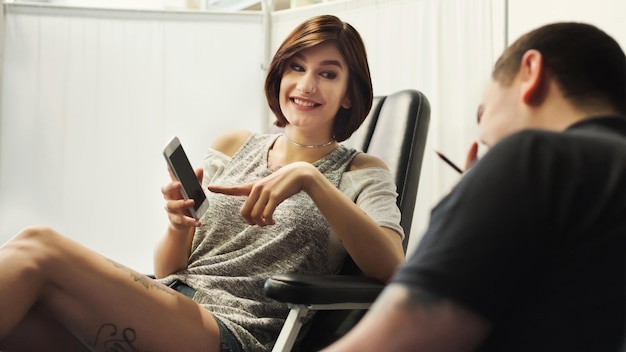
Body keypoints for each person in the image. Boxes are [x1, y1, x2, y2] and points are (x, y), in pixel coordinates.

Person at [0, 15, 405, 352]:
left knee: (38, 246)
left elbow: (393, 268)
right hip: (174, 299)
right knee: (23, 320)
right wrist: (179, 226)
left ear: (350, 94)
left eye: (327, 74)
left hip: (234, 331)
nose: (306, 85)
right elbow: (171, 268)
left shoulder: (361, 172)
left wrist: (311, 180)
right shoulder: (234, 145)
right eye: (296, 67)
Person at [324, 22, 625, 352]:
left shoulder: (535, 157)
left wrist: (456, 217)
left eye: (482, 112)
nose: (482, 138)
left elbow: (397, 340)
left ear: (531, 72)